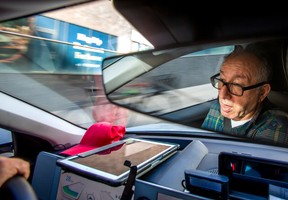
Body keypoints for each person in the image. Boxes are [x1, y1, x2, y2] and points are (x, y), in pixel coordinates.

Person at [201, 46, 288, 145]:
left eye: (237, 85)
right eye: (222, 80)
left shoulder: (276, 127)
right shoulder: (216, 108)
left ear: (262, 92)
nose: (222, 95)